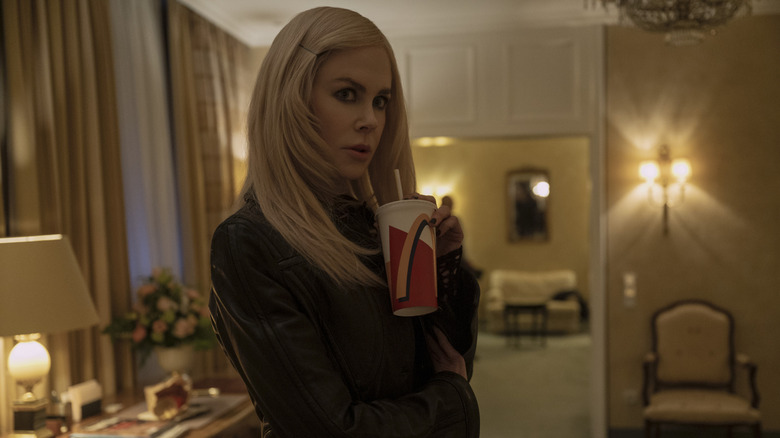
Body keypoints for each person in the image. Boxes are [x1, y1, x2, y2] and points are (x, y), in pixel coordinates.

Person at [209, 7, 480, 437]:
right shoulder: (250, 243)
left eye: (380, 101)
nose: (370, 120)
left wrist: (442, 269)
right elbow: (331, 430)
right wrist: (452, 399)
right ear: (292, 99)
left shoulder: (372, 226)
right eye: (347, 93)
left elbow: (443, 364)